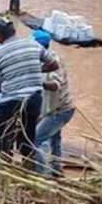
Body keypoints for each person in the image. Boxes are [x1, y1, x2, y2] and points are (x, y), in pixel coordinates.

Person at [0, 18, 57, 165]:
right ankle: (28, 167)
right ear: (14, 31)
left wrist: (14, 77)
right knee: (27, 136)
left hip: (12, 100)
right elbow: (53, 64)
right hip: (35, 98)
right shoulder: (32, 44)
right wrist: (34, 70)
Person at [33, 32, 75, 177]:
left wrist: (38, 82)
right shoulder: (44, 59)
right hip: (57, 107)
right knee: (55, 138)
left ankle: (42, 174)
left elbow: (55, 85)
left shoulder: (52, 62)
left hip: (60, 110)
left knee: (36, 139)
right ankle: (57, 170)